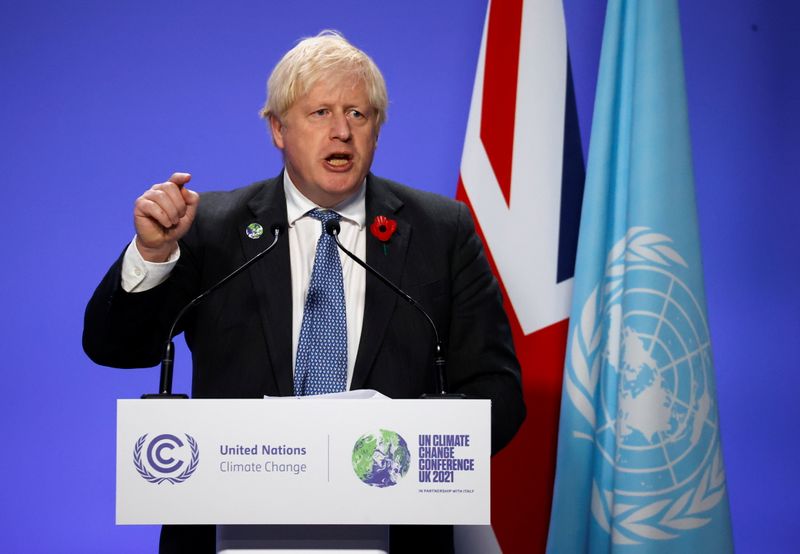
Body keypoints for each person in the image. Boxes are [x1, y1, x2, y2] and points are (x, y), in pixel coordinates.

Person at [84, 31, 525, 553]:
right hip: (232, 532)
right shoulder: (213, 229)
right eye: (320, 113)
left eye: (358, 115)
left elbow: (498, 393)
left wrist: (409, 454)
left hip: (393, 530)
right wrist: (154, 254)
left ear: (377, 128)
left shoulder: (441, 231)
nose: (341, 132)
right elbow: (115, 346)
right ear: (277, 128)